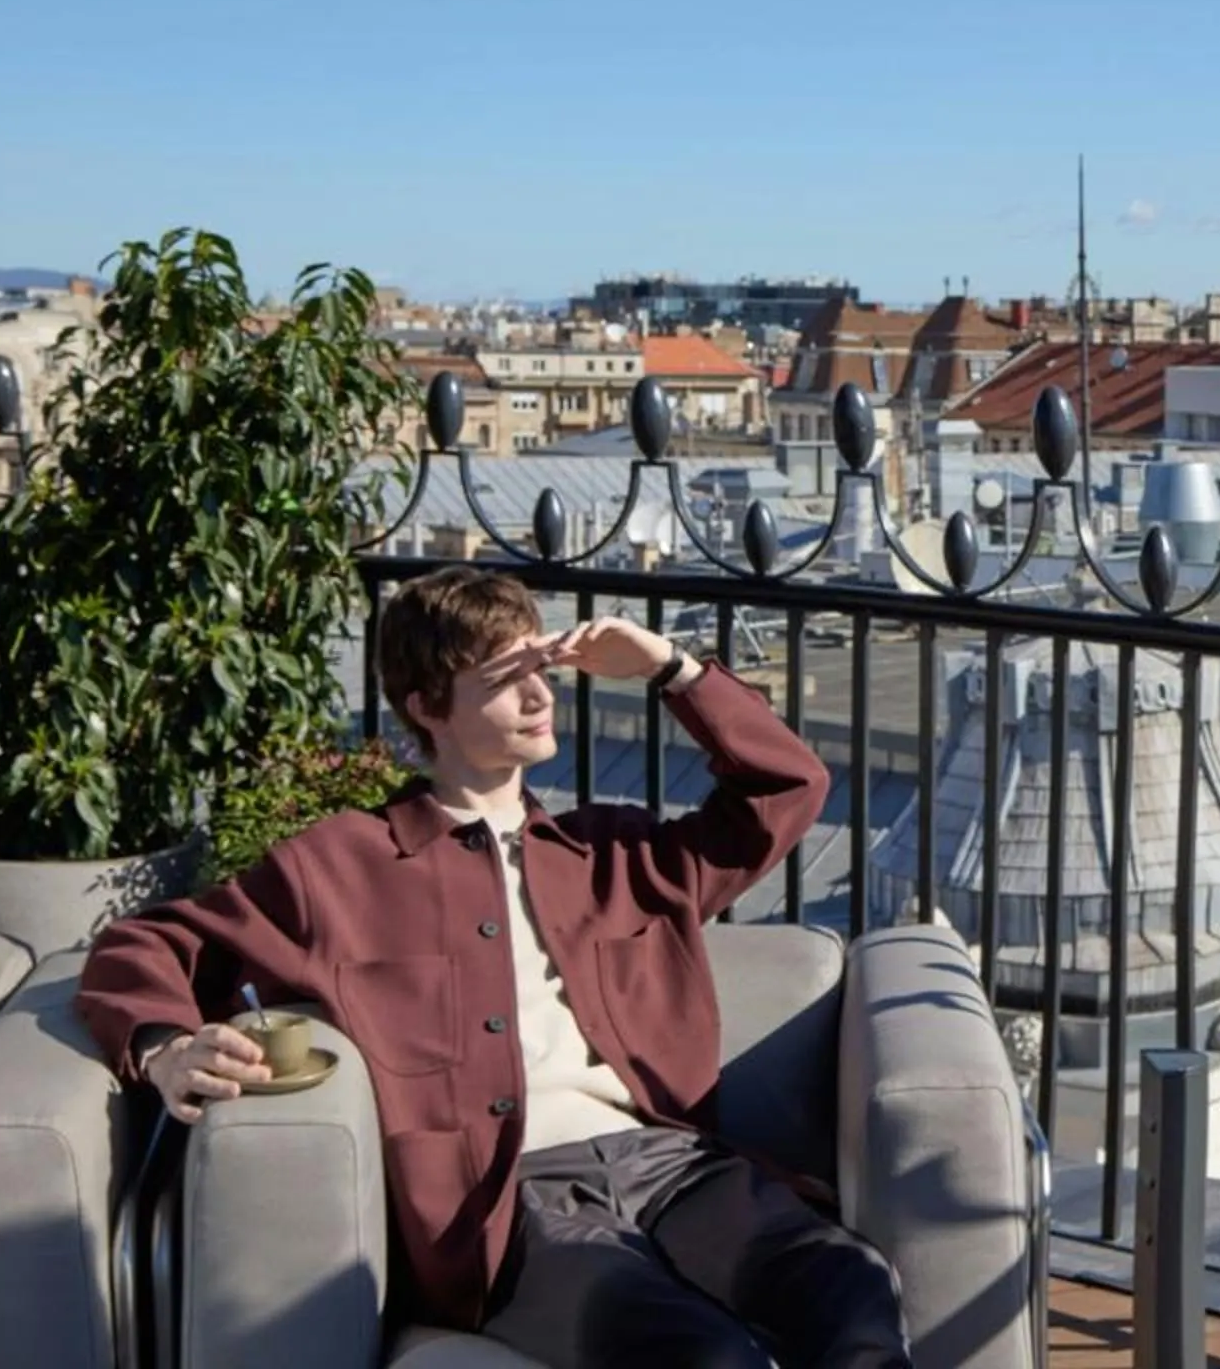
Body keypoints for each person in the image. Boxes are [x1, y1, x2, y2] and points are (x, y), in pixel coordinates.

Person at [77, 566, 905, 1369]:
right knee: (699, 1354)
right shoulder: (337, 868)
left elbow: (789, 788)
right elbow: (149, 942)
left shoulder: (613, 851)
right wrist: (163, 1045)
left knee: (850, 1291)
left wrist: (669, 668)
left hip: (672, 1165)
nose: (542, 696)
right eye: (505, 679)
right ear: (426, 707)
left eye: (541, 669)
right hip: (510, 1207)